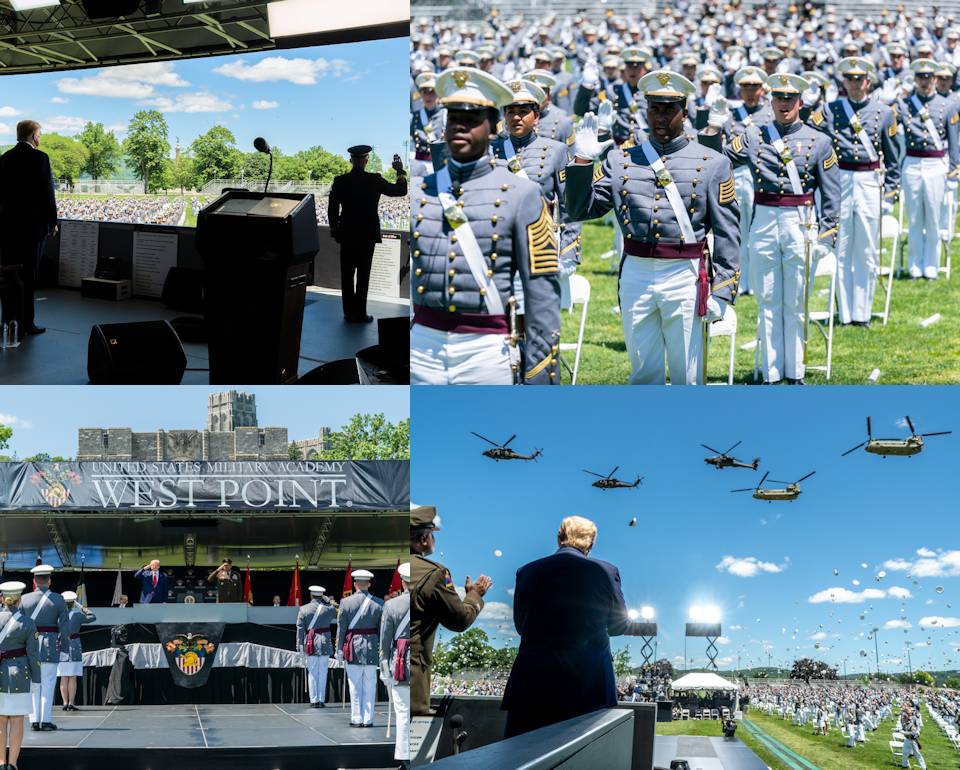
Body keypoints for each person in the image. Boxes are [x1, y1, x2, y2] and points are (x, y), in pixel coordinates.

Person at [565, 70, 741, 385]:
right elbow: (580, 209)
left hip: (684, 273)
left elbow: (728, 232)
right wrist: (581, 162)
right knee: (643, 373)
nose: (660, 117)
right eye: (654, 108)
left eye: (669, 108)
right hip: (636, 273)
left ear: (684, 112)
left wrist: (723, 291)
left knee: (688, 376)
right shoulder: (621, 161)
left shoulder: (713, 162)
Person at [409, 67, 562, 385]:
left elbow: (542, 294)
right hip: (422, 345)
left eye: (473, 118)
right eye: (453, 117)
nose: (459, 127)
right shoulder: (420, 192)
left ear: (493, 127)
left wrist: (540, 375)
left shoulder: (523, 194)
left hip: (485, 346)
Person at [704, 72, 841, 384]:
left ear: (800, 102)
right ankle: (771, 372)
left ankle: (795, 371)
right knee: (768, 298)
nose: (784, 104)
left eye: (790, 98)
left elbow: (832, 194)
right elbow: (715, 158)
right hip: (765, 217)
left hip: (800, 219)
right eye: (779, 98)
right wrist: (713, 126)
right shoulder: (755, 136)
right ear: (771, 100)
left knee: (795, 300)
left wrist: (827, 235)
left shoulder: (819, 141)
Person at [501, 515, 648, 738]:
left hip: (532, 683)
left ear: (559, 538)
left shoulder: (527, 571)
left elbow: (521, 626)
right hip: (588, 686)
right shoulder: (605, 571)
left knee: (521, 756)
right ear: (590, 543)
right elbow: (619, 626)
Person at [813, 57, 901, 326]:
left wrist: (889, 193)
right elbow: (810, 133)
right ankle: (845, 312)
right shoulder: (830, 110)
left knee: (866, 249)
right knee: (841, 246)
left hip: (869, 179)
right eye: (849, 79)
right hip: (840, 178)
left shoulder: (884, 112)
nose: (853, 84)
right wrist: (809, 106)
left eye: (858, 79)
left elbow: (894, 156)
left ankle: (862, 312)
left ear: (868, 81)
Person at [410, 505, 489, 715]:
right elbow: (459, 620)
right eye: (432, 535)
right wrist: (475, 596)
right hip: (412, 681)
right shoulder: (434, 574)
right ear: (424, 539)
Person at [327, 146, 408, 323]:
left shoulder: (340, 180)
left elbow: (332, 207)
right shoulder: (374, 180)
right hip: (367, 234)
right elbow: (400, 191)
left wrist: (334, 228)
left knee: (347, 275)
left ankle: (349, 313)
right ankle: (361, 313)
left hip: (347, 233)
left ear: (351, 160)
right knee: (364, 275)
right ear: (366, 160)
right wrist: (400, 170)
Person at [897, 58, 960, 280]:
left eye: (928, 77)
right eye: (920, 78)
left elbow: (954, 142)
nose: (925, 82)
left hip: (936, 164)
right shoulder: (904, 105)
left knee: (933, 216)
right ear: (915, 79)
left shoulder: (947, 106)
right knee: (914, 217)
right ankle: (915, 264)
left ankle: (931, 264)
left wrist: (954, 171)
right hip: (912, 162)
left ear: (935, 79)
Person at [0, 120, 57, 340]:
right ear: (33, 136)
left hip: (8, 230)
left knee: (9, 277)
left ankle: (8, 320)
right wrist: (52, 222)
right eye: (39, 134)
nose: (40, 138)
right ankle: (26, 324)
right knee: (28, 277)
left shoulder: (4, 159)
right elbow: (47, 193)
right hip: (33, 230)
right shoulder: (40, 158)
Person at [19, 564, 68, 732]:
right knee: (48, 683)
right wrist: (65, 649)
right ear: (49, 580)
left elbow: (19, 626)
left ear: (34, 581)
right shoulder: (59, 599)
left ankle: (34, 720)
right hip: (50, 646)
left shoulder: (24, 599)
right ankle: (45, 720)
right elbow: (65, 626)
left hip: (30, 647)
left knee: (34, 684)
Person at [0, 581, 40, 770]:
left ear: (2, 598)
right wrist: (37, 679)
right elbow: (33, 655)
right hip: (19, 676)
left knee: (0, 720)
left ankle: (1, 762)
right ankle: (12, 764)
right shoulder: (28, 623)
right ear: (19, 600)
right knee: (16, 720)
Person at [335, 569, 383, 728]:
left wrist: (339, 649)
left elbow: (341, 629)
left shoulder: (345, 602)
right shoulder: (379, 603)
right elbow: (381, 631)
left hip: (352, 647)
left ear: (355, 584)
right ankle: (368, 719)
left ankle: (356, 718)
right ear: (369, 584)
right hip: (371, 647)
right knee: (370, 685)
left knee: (354, 684)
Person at [380, 562, 410, 770]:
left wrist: (385, 670)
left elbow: (385, 642)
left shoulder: (391, 605)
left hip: (400, 664)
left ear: (402, 580)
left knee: (402, 713)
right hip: (422, 665)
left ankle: (405, 757)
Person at [296, 585, 336, 709]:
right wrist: (328, 601)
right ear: (321, 595)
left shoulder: (303, 609)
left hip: (310, 642)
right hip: (324, 641)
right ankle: (321, 699)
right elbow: (337, 609)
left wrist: (300, 645)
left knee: (312, 672)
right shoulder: (329, 609)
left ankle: (314, 700)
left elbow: (300, 629)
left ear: (311, 595)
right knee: (323, 671)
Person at [57, 590, 95, 712]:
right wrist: (81, 607)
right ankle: (71, 703)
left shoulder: (57, 616)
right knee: (72, 677)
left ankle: (64, 702)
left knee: (64, 677)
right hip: (74, 647)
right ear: (73, 603)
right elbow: (92, 617)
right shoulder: (78, 616)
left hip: (61, 647)